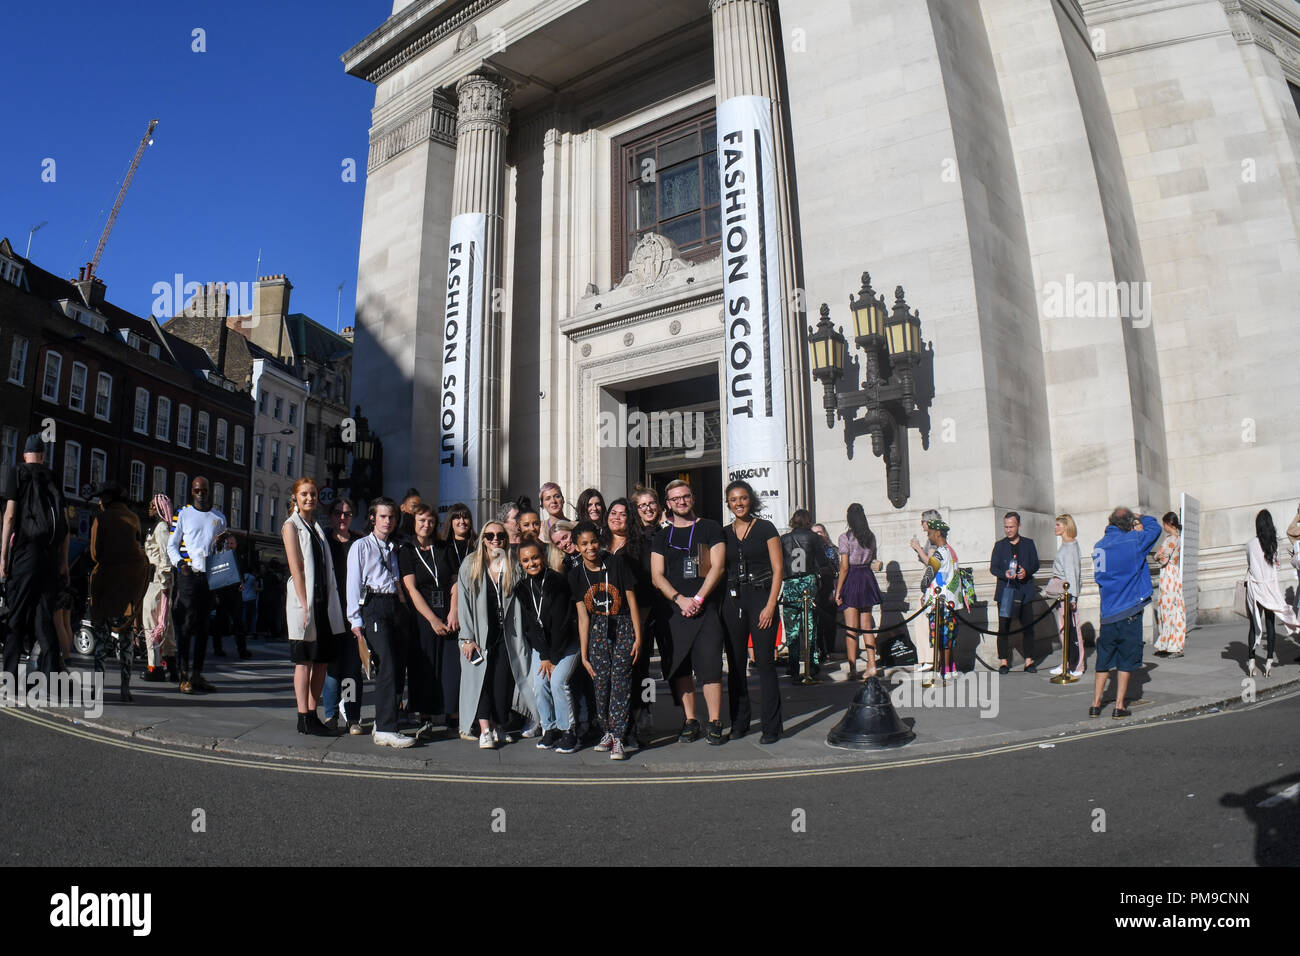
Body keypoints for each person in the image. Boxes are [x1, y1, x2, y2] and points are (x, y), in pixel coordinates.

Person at [650, 479, 727, 745]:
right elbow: (656, 575)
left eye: (685, 496)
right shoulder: (661, 537)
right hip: (674, 613)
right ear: (668, 504)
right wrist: (680, 599)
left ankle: (715, 721)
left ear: (692, 498)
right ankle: (690, 720)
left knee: (710, 668)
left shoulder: (711, 528)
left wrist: (698, 598)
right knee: (680, 669)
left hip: (706, 610)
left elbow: (717, 567)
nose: (681, 501)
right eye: (675, 499)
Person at [456, 521, 539, 747]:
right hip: (479, 635)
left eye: (500, 536)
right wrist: (467, 637)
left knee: (503, 681)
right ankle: (484, 730)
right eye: (490, 535)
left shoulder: (513, 565)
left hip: (508, 634)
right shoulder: (470, 565)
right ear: (483, 538)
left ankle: (498, 726)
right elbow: (463, 605)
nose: (495, 540)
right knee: (481, 680)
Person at [0, 435, 69, 687]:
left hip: (24, 555)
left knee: (16, 615)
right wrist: (62, 562)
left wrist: (3, 556)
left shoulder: (17, 473)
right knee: (44, 617)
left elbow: (9, 516)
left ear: (25, 454)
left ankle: (8, 677)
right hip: (49, 558)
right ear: (42, 455)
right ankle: (51, 678)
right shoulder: (52, 477)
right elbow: (65, 525)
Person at [346, 497, 414, 748]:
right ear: (373, 518)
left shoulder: (395, 548)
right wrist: (355, 619)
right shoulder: (361, 546)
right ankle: (385, 728)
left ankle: (385, 720)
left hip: (396, 606)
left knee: (396, 666)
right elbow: (353, 582)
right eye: (383, 516)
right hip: (373, 605)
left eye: (392, 517)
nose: (388, 521)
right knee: (386, 664)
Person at [571, 521, 642, 759]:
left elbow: (632, 602)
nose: (590, 547)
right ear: (577, 547)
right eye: (584, 544)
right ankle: (608, 732)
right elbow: (583, 617)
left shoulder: (616, 563)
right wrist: (584, 653)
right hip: (598, 631)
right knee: (601, 686)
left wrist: (638, 637)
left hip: (622, 625)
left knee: (620, 683)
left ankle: (619, 737)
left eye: (593, 542)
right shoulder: (576, 575)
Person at [721, 481, 783, 742]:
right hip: (733, 601)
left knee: (765, 664)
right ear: (728, 504)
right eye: (734, 499)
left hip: (762, 597)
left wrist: (770, 605)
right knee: (736, 666)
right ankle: (739, 723)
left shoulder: (766, 528)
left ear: (751, 500)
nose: (739, 503)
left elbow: (779, 569)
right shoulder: (723, 533)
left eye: (743, 498)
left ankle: (771, 727)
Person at [283, 478, 344, 735]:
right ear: (295, 498)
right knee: (304, 661)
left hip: (323, 600)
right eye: (304, 494)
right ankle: (302, 716)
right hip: (305, 601)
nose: (310, 498)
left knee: (321, 661)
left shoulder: (316, 527)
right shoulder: (291, 526)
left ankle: (312, 712)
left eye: (313, 494)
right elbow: (296, 566)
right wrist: (304, 602)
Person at [1089, 507, 1162, 718]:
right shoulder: (1134, 541)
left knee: (1103, 659)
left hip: (1108, 612)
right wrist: (1140, 517)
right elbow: (1155, 527)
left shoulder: (1098, 547)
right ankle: (1119, 705)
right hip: (1129, 609)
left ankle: (1095, 704)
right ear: (1129, 524)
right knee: (1125, 660)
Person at [399, 503, 460, 733]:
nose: (426, 525)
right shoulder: (406, 550)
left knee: (451, 665)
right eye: (422, 520)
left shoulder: (444, 547)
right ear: (414, 523)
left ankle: (453, 714)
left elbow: (455, 580)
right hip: (423, 616)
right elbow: (411, 589)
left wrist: (453, 611)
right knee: (424, 666)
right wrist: (433, 620)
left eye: (431, 521)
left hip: (448, 610)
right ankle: (425, 715)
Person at [87, 481, 150, 702]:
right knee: (125, 639)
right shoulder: (133, 518)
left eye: (101, 498)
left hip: (106, 584)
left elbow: (95, 553)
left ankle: (97, 688)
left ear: (107, 499)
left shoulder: (101, 518)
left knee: (101, 640)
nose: (98, 501)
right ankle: (125, 687)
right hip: (129, 586)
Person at [518, 538, 580, 753]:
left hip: (566, 644)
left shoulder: (558, 582)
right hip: (543, 648)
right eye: (525, 560)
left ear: (543, 557)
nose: (531, 563)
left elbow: (562, 623)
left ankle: (569, 730)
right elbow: (530, 627)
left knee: (557, 682)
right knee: (540, 683)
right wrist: (544, 655)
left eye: (535, 557)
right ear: (521, 563)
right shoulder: (522, 587)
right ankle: (549, 728)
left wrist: (552, 658)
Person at [167, 476, 227, 694]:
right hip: (189, 575)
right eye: (197, 491)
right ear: (192, 492)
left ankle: (197, 674)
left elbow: (222, 553)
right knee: (186, 626)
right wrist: (180, 563)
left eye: (204, 491)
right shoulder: (183, 514)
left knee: (204, 628)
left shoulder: (219, 518)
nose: (201, 494)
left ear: (209, 491)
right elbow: (171, 545)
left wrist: (222, 548)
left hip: (209, 576)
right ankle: (183, 675)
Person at [321, 497, 364, 734]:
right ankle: (330, 715)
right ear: (331, 515)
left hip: (354, 614)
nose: (342, 517)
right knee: (333, 669)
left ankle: (353, 716)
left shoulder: (359, 541)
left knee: (352, 669)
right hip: (330, 613)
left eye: (347, 514)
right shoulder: (324, 540)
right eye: (338, 513)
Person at [1245, 509, 1300, 677]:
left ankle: (1252, 662)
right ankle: (1268, 662)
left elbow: (1249, 564)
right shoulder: (1274, 544)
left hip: (1255, 588)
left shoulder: (1250, 544)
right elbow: (1276, 567)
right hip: (1270, 589)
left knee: (1254, 625)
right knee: (1269, 623)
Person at [836, 503, 885, 679]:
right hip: (866, 576)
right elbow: (874, 559)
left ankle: (852, 668)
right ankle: (872, 665)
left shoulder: (845, 537)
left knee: (851, 628)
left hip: (852, 578)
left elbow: (844, 567)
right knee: (867, 626)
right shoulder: (870, 536)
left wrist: (838, 590)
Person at [990, 511, 1041, 674]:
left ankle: (1029, 660)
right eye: (1006, 527)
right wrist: (1003, 574)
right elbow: (993, 568)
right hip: (1005, 592)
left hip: (1024, 591)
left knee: (1028, 627)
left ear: (1019, 525)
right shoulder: (999, 545)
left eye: (1011, 526)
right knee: (1003, 627)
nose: (1008, 530)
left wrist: (1026, 572)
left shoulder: (1028, 543)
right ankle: (1004, 661)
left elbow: (1036, 564)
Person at [780, 509, 827, 679]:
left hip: (790, 583)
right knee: (810, 626)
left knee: (792, 627)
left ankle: (793, 666)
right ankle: (811, 665)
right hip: (808, 581)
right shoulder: (813, 538)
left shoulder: (783, 539)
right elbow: (822, 561)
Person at [141, 494, 178, 682]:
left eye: (151, 505)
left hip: (157, 582)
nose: (149, 508)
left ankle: (154, 667)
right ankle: (171, 665)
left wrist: (164, 584)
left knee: (151, 623)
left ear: (157, 507)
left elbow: (166, 556)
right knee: (165, 625)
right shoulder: (158, 527)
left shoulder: (162, 528)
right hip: (155, 580)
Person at [922, 517, 965, 681]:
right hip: (951, 600)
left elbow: (929, 574)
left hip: (940, 602)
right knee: (949, 636)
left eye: (930, 533)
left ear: (938, 533)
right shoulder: (951, 551)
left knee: (942, 637)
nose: (929, 536)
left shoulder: (939, 553)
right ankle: (951, 666)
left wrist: (923, 588)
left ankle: (944, 669)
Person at [1048, 514, 1084, 677]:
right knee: (1065, 630)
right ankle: (1067, 663)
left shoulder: (1069, 547)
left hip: (1066, 594)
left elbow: (1072, 574)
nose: (1055, 528)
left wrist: (1073, 597)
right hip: (1062, 593)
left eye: (1058, 525)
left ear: (1065, 526)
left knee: (1071, 630)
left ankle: (1076, 665)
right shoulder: (1067, 546)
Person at [908, 509, 942, 672]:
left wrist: (917, 548)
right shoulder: (935, 539)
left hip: (931, 583)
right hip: (932, 582)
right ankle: (930, 658)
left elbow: (931, 562)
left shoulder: (934, 540)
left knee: (923, 621)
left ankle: (929, 658)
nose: (921, 524)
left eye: (923, 521)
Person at [210, 532, 251, 660]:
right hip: (222, 592)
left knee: (238, 622)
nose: (230, 545)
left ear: (236, 545)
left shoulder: (240, 557)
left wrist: (242, 582)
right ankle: (218, 648)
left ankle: (242, 650)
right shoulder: (219, 555)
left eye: (232, 543)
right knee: (219, 622)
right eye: (228, 543)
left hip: (235, 592)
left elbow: (242, 571)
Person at [1153, 511, 1187, 658]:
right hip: (1171, 574)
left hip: (1169, 575)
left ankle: (1173, 644)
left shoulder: (1172, 539)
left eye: (1164, 523)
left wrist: (1157, 556)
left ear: (1169, 524)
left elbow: (1161, 557)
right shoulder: (1175, 538)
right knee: (1172, 608)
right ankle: (1169, 643)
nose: (1163, 526)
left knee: (1169, 609)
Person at [811, 522, 840, 662]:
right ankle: (819, 650)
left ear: (825, 534)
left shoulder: (831, 549)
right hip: (814, 589)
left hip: (828, 587)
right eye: (814, 532)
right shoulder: (809, 550)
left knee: (830, 621)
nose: (818, 535)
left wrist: (836, 590)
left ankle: (830, 650)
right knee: (816, 623)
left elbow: (837, 572)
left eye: (820, 532)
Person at [440, 502, 476, 576]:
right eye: (457, 518)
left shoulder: (478, 544)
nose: (462, 521)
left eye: (465, 518)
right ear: (450, 521)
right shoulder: (442, 545)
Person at [241, 567, 261, 640]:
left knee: (244, 615)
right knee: (253, 616)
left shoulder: (242, 577)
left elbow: (241, 588)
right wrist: (261, 589)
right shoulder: (253, 578)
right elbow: (256, 588)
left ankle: (243, 630)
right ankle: (254, 631)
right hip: (252, 598)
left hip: (244, 598)